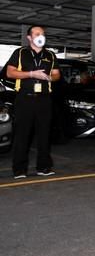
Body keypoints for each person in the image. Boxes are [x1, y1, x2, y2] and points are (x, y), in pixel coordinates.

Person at [6, 26, 61, 179]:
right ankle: (19, 170)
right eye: (37, 34)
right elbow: (10, 72)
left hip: (44, 99)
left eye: (42, 34)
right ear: (29, 37)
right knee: (22, 135)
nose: (40, 36)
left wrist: (50, 78)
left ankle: (44, 167)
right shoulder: (20, 52)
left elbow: (56, 74)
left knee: (44, 134)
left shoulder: (50, 55)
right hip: (24, 98)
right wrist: (31, 74)